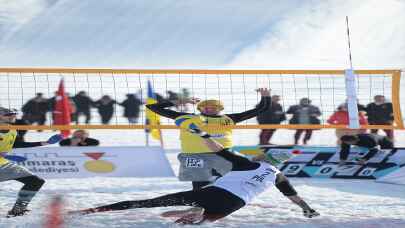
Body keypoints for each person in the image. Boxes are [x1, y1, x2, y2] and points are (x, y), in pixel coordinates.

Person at [69, 132, 319, 224]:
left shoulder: (249, 163)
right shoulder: (280, 177)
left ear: (266, 157)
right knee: (188, 223)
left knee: (149, 202)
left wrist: (201, 133)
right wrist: (308, 210)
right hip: (233, 206)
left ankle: (87, 211)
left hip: (216, 194)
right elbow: (296, 199)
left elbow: (218, 150)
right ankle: (194, 215)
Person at [146, 88, 271, 190]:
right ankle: (199, 208)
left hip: (222, 155)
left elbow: (261, 109)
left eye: (213, 107)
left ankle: (219, 205)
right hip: (195, 155)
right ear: (200, 109)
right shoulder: (187, 117)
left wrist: (266, 96)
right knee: (199, 186)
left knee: (224, 184)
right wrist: (181, 101)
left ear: (219, 108)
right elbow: (153, 108)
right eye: (205, 107)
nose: (209, 109)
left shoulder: (229, 118)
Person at [0, 107, 63, 217]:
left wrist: (45, 143)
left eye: (14, 114)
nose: (12, 116)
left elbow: (18, 144)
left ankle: (18, 209)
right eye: (8, 114)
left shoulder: (13, 130)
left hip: (3, 163)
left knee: (36, 181)